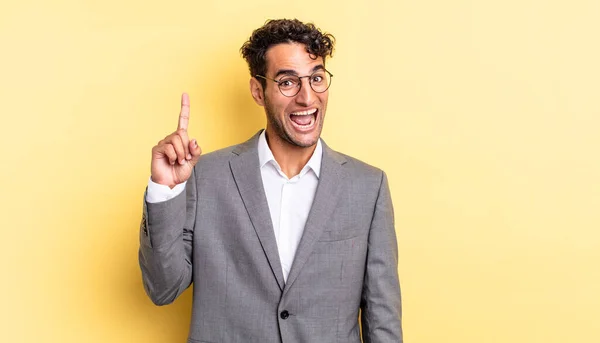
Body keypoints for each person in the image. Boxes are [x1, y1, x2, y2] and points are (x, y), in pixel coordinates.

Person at [139, 19, 402, 343]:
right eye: (288, 82)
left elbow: (383, 321)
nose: (307, 97)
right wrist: (165, 190)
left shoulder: (367, 187)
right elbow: (162, 288)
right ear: (258, 91)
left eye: (316, 78)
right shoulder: (205, 177)